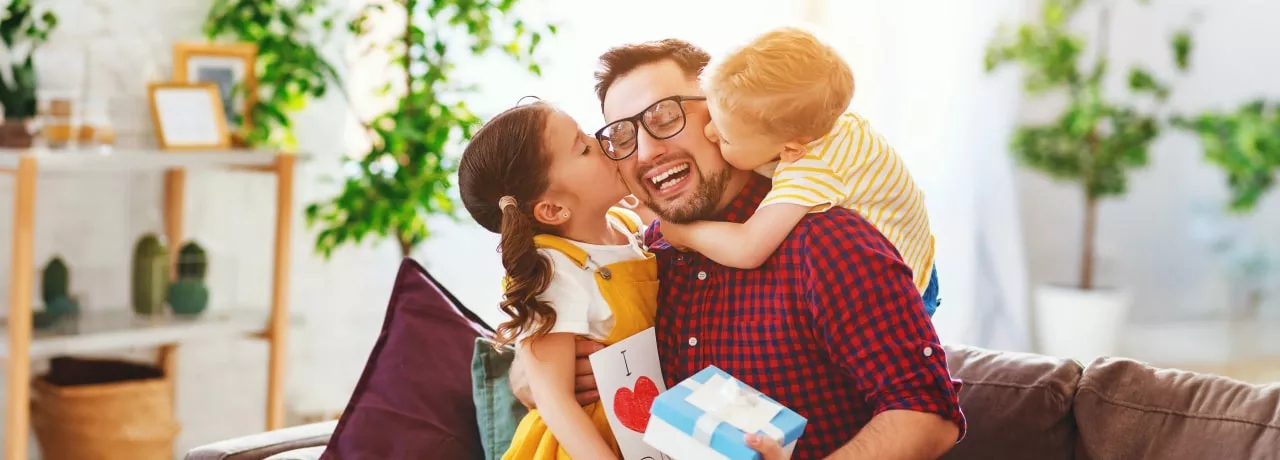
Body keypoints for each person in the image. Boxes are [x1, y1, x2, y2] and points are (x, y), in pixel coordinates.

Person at [512, 38, 966, 459]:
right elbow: (545, 330)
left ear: (721, 111)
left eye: (666, 117)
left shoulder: (825, 239)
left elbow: (928, 415)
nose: (647, 151)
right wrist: (535, 378)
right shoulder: (647, 257)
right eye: (623, 137)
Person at [657, 26, 942, 316]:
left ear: (791, 151)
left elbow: (749, 247)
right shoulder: (822, 121)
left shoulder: (813, 169)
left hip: (905, 288)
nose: (708, 132)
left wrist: (683, 233)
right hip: (920, 253)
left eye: (725, 137)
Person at [458, 100, 657, 460]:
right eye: (583, 148)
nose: (600, 140)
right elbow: (554, 401)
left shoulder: (628, 226)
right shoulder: (553, 268)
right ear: (552, 209)